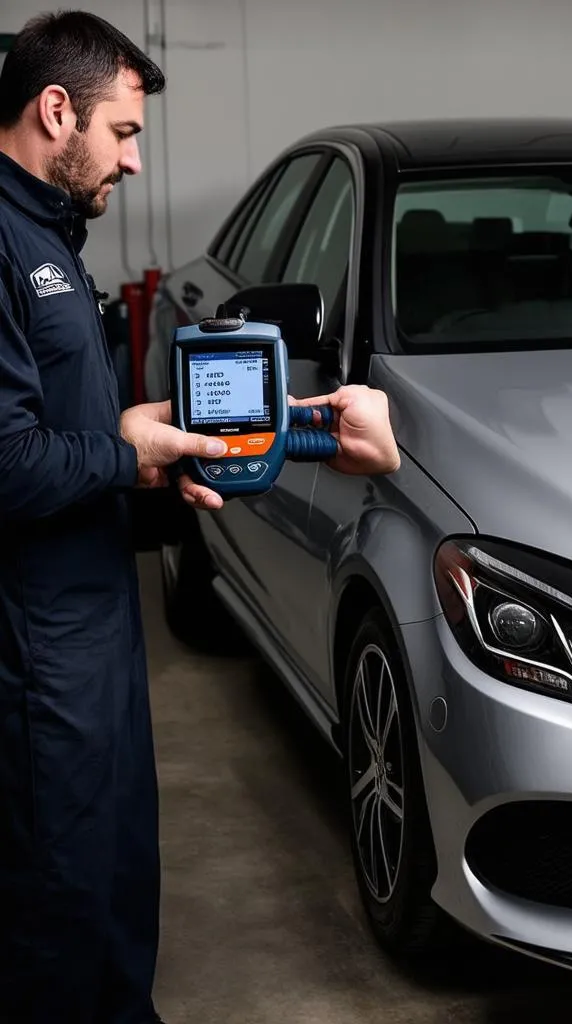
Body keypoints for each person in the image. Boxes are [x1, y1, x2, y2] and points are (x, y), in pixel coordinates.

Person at [0, 11, 400, 1024]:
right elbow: (6, 462)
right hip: (35, 660)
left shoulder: (48, 235)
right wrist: (131, 453)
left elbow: (69, 437)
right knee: (57, 906)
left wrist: (285, 435)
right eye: (124, 132)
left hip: (90, 632)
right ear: (58, 110)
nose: (133, 160)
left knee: (118, 882)